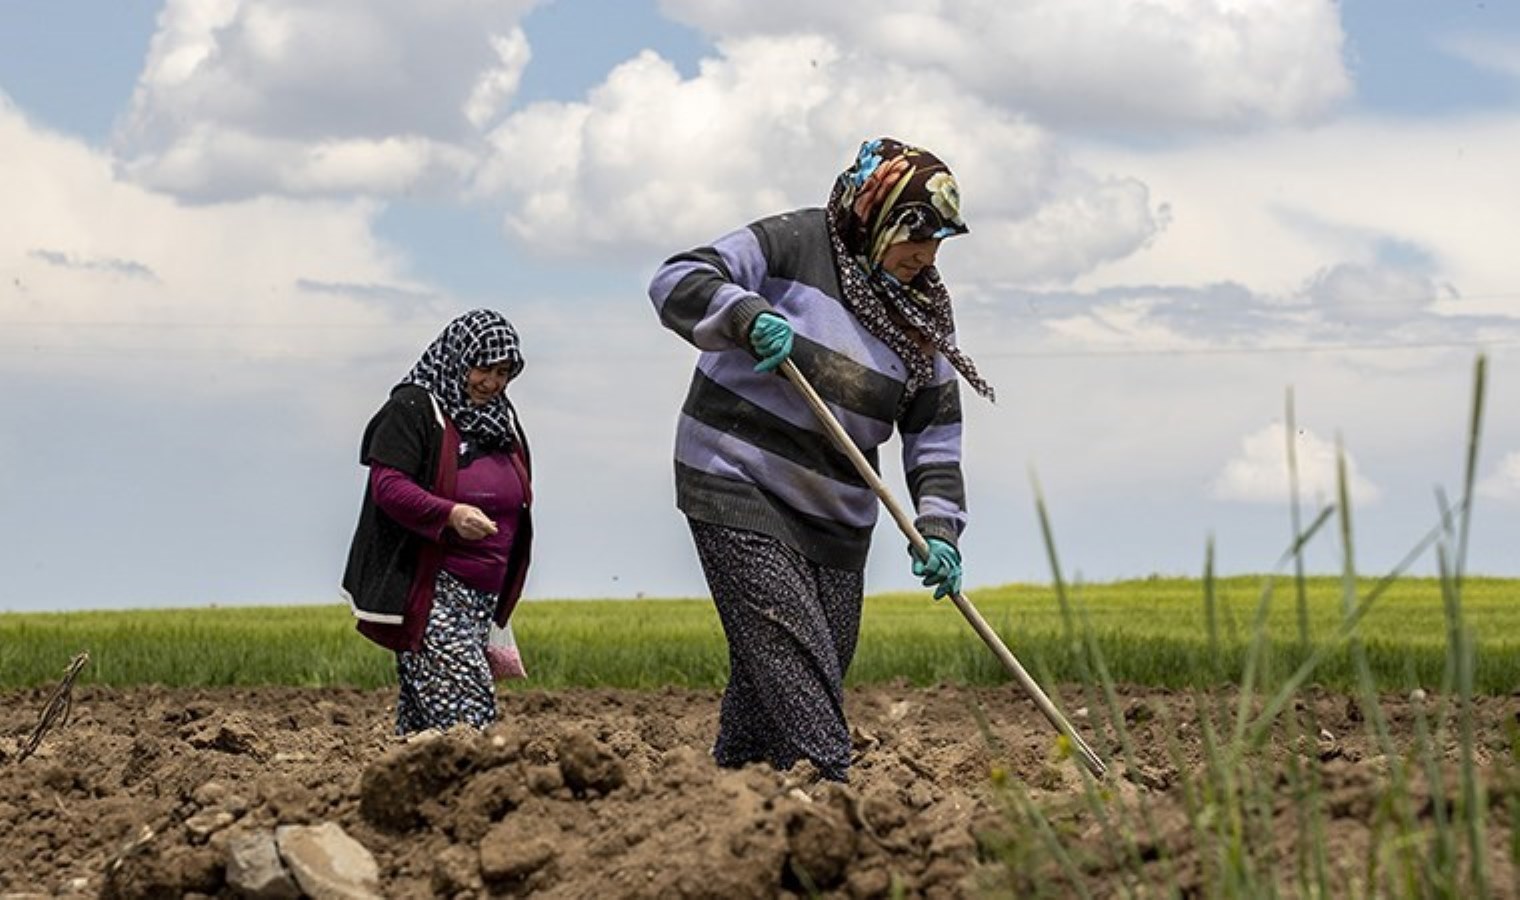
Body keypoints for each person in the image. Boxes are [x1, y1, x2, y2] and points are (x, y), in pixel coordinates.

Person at [647, 137, 994, 782]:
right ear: (876, 214)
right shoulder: (795, 242)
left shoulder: (921, 315)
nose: (927, 254)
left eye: (939, 241)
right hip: (738, 477)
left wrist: (939, 529)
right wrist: (744, 315)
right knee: (790, 648)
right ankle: (832, 789)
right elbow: (676, 278)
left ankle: (732, 788)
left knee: (804, 659)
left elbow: (935, 436)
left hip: (838, 510)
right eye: (914, 235)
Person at [341, 309, 534, 735]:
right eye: (483, 367)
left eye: (503, 372)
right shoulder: (413, 408)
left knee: (423, 724)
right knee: (468, 715)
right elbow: (388, 486)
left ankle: (409, 796)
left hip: (482, 598)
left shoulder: (502, 419)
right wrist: (450, 513)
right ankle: (478, 795)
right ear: (457, 359)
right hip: (431, 591)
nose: (492, 382)